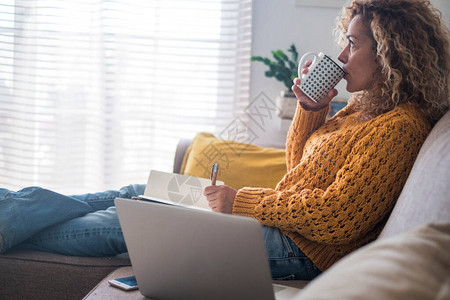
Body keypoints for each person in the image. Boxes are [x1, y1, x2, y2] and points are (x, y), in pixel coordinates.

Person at [0, 0, 449, 281]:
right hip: (274, 223)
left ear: (390, 52)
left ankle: (8, 223)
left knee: (127, 219)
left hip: (298, 250)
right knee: (138, 191)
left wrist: (240, 203)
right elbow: (299, 169)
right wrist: (310, 113)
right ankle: (10, 209)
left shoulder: (399, 127)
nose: (343, 55)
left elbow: (338, 218)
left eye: (353, 44)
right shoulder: (363, 105)